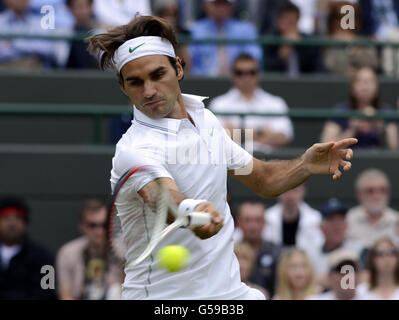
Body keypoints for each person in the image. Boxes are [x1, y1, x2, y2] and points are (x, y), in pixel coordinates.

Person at [86, 15, 357, 300]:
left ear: (178, 68)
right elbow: (163, 198)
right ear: (123, 87)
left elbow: (263, 180)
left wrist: (304, 165)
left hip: (228, 293)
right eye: (135, 82)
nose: (149, 91)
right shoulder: (134, 150)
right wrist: (192, 212)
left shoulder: (206, 120)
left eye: (157, 75)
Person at [210, 53, 294, 152]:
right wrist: (261, 132)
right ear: (232, 74)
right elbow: (217, 137)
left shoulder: (276, 103)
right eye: (240, 72)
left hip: (266, 163)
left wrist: (236, 132)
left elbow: (283, 137)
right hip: (231, 163)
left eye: (251, 72)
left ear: (259, 74)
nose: (246, 77)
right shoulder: (219, 104)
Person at [56, 198, 123, 300]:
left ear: (111, 224)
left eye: (103, 225)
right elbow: (65, 294)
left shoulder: (122, 251)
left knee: (115, 290)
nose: (99, 231)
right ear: (82, 226)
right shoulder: (67, 253)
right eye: (92, 225)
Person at [321, 66, 399, 150]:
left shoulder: (385, 112)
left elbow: (394, 148)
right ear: (352, 87)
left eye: (369, 81)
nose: (365, 86)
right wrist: (352, 130)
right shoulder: (340, 111)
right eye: (360, 81)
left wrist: (380, 126)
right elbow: (326, 145)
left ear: (377, 87)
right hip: (346, 160)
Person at [0, 196, 56, 300]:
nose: (12, 224)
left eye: (18, 217)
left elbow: (48, 292)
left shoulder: (44, 257)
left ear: (25, 223)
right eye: (6, 217)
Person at [189, 0, 263, 76]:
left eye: (225, 4)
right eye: (216, 3)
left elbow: (255, 58)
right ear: (206, 5)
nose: (221, 8)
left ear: (232, 6)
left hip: (238, 80)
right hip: (202, 81)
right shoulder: (195, 29)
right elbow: (189, 62)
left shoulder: (247, 29)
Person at [307, 197, 364, 288]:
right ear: (321, 227)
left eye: (340, 219)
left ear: (346, 225)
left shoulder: (360, 249)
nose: (337, 225)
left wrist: (323, 279)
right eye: (331, 219)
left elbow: (368, 278)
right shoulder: (311, 253)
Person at [0, 0, 67, 69]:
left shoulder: (41, 23)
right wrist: (29, 45)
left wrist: (13, 43)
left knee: (32, 63)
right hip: (4, 68)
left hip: (33, 69)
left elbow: (47, 49)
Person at [234, 201, 281, 297]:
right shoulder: (229, 253)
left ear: (264, 223)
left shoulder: (278, 253)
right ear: (238, 222)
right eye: (247, 220)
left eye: (258, 220)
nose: (253, 226)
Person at [264, 1, 322, 75]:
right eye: (286, 22)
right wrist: (282, 55)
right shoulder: (270, 42)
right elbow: (267, 69)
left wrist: (299, 45)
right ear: (278, 22)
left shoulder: (308, 42)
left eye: (292, 22)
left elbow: (315, 69)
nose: (290, 27)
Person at [263, 184, 324, 253]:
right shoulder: (266, 218)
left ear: (303, 191)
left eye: (295, 190)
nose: (290, 195)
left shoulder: (316, 219)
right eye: (285, 190)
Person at [346, 169, 399, 250]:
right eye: (370, 191)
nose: (377, 196)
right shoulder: (348, 220)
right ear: (359, 194)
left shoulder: (397, 220)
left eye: (382, 190)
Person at [322, 1, 379, 76]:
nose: (345, 22)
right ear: (332, 20)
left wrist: (355, 49)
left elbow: (373, 63)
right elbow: (328, 65)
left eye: (350, 17)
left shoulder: (364, 42)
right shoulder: (326, 42)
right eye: (340, 17)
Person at [66, 0, 99, 69]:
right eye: (79, 6)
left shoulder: (99, 29)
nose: (83, 11)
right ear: (70, 8)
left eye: (87, 6)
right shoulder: (63, 29)